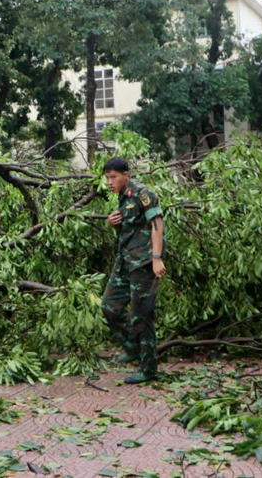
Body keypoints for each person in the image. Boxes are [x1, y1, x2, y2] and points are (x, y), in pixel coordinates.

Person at [101, 157, 166, 385]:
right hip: (125, 261)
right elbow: (128, 229)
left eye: (114, 177)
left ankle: (148, 369)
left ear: (126, 175)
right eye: (107, 177)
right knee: (109, 306)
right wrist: (114, 224)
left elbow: (157, 224)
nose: (109, 182)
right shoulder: (123, 197)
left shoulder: (143, 193)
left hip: (144, 263)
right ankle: (132, 346)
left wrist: (156, 258)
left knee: (141, 315)